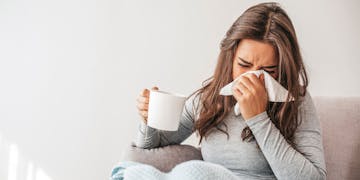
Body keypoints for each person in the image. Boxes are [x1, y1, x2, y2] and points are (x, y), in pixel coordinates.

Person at [115, 2, 327, 180]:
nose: (252, 78)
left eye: (268, 71)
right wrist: (148, 119)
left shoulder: (297, 101)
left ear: (282, 69)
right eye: (244, 64)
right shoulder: (209, 99)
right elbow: (150, 146)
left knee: (192, 172)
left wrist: (259, 118)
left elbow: (313, 178)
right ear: (231, 58)